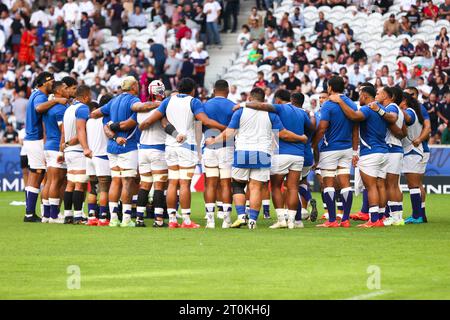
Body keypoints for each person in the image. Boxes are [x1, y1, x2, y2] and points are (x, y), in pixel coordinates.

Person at [206, 87, 308, 229]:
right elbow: (283, 133)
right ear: (264, 100)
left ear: (249, 98)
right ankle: (253, 221)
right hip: (263, 153)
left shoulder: (240, 111)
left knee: (237, 185)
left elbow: (229, 133)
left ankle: (241, 216)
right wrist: (301, 138)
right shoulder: (270, 114)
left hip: (243, 152)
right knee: (256, 188)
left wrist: (214, 140)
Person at [138, 77, 227, 229]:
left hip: (170, 145)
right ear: (192, 90)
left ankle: (172, 219)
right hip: (187, 145)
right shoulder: (193, 102)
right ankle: (186, 220)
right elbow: (205, 121)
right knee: (184, 183)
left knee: (172, 182)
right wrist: (225, 127)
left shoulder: (168, 101)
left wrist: (143, 125)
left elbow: (148, 121)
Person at [235, 89, 311, 229]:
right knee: (293, 187)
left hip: (280, 154)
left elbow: (262, 107)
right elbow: (312, 127)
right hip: (299, 154)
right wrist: (304, 138)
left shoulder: (278, 109)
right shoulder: (302, 112)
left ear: (277, 100)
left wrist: (243, 105)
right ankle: (293, 221)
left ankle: (281, 219)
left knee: (276, 187)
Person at [329, 86, 398, 227]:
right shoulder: (381, 109)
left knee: (371, 187)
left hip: (370, 152)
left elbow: (353, 116)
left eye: (360, 96)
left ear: (365, 96)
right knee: (380, 186)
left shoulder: (367, 109)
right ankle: (379, 218)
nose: (359, 99)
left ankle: (372, 220)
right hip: (383, 152)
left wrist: (340, 102)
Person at [312, 76, 357, 228]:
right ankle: (345, 219)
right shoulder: (351, 103)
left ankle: (331, 220)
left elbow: (323, 127)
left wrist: (313, 144)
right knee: (345, 184)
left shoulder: (328, 104)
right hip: (347, 148)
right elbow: (355, 126)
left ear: (330, 87)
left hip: (330, 148)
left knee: (328, 183)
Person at [23, 72, 67, 223]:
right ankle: (29, 213)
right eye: (51, 81)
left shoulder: (34, 94)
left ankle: (31, 212)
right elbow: (39, 108)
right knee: (37, 175)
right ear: (43, 83)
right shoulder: (40, 96)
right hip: (35, 138)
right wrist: (56, 101)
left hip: (31, 138)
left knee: (35, 175)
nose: (52, 84)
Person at [135, 80, 169, 228]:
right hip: (158, 149)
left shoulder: (141, 109)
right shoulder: (162, 109)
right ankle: (158, 219)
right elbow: (165, 125)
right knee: (159, 186)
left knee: (144, 185)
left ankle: (139, 219)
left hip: (142, 150)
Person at [202, 80, 235, 228]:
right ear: (227, 91)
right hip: (227, 147)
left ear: (214, 90)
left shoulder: (205, 105)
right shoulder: (233, 106)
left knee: (210, 183)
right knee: (226, 183)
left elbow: (200, 124)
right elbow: (235, 130)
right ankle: (226, 220)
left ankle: (210, 220)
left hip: (209, 147)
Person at [61, 85, 92, 224]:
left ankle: (68, 215)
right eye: (89, 96)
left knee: (70, 184)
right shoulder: (83, 108)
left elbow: (63, 131)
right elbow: (80, 129)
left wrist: (63, 148)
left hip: (68, 151)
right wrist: (86, 148)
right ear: (85, 96)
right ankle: (78, 216)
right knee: (80, 184)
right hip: (78, 150)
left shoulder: (68, 109)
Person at [41, 81, 69, 224]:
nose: (67, 90)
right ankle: (54, 215)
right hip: (57, 146)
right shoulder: (60, 109)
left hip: (48, 146)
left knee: (49, 181)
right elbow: (62, 130)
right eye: (65, 88)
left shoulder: (49, 108)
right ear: (58, 91)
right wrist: (61, 150)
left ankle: (46, 215)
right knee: (56, 182)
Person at [84, 94, 114, 227]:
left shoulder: (89, 120)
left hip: (91, 156)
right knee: (104, 189)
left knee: (93, 188)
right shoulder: (107, 120)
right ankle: (102, 217)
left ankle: (91, 216)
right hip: (102, 157)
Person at [400, 92, 428, 224]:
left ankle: (417, 216)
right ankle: (419, 214)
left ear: (404, 101)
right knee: (415, 185)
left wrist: (396, 109)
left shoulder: (409, 112)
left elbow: (407, 117)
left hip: (412, 151)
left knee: (413, 185)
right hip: (415, 151)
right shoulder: (414, 110)